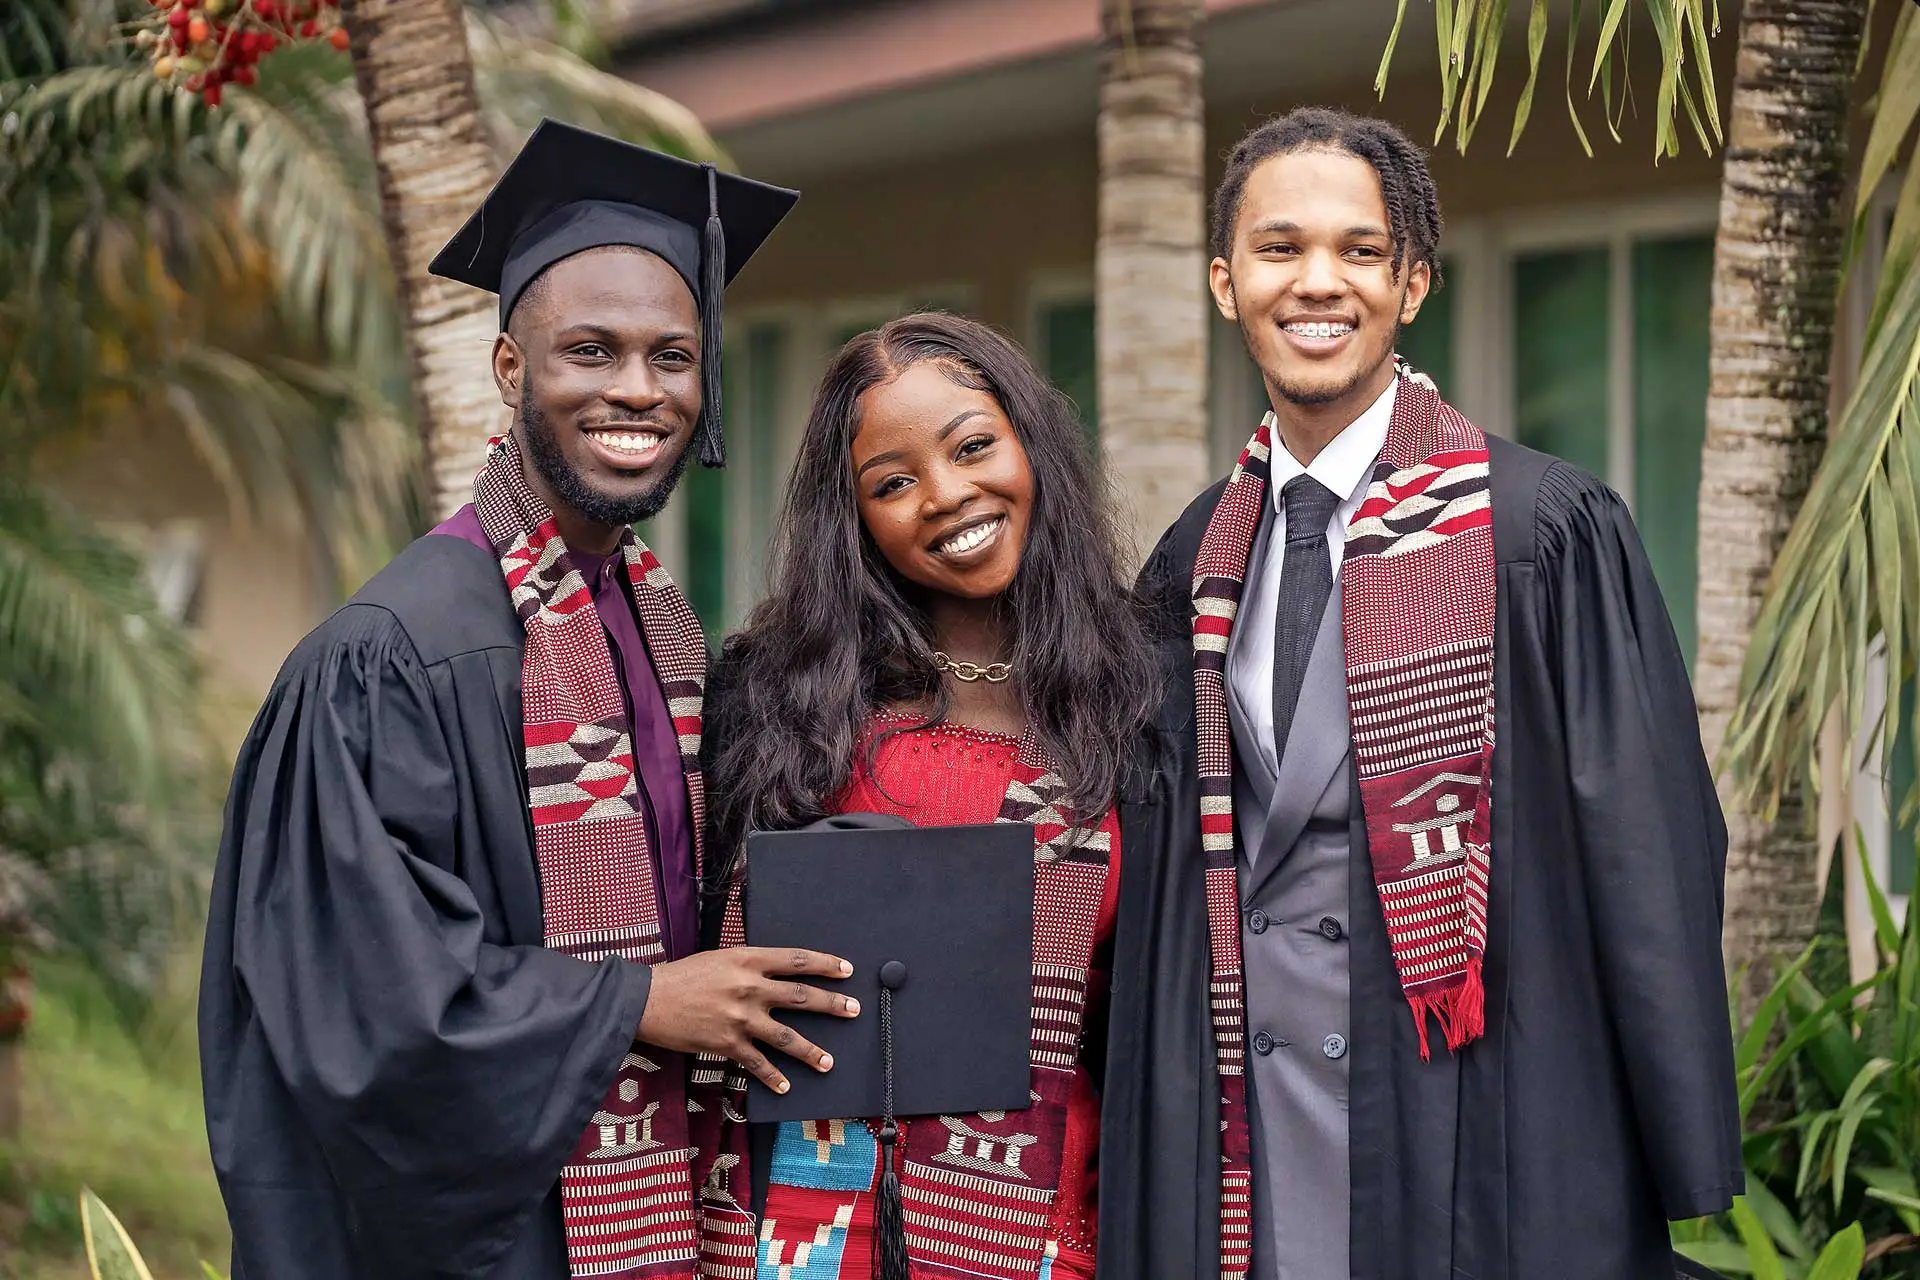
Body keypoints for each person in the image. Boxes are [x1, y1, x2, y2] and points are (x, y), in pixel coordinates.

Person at [198, 121, 861, 1280]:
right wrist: (637, 1002)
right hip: (492, 1240)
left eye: (673, 356)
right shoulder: (396, 652)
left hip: (651, 1203)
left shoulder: (656, 631)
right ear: (512, 370)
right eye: (590, 352)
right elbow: (362, 998)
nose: (637, 391)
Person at [1098, 107, 1742, 1280]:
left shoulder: (1540, 530)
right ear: (1224, 281)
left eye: (1359, 249)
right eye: (1280, 248)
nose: (1318, 282)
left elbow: (1649, 841)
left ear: (1413, 284)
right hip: (1249, 1132)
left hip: (1469, 1105)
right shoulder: (1195, 556)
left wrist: (1671, 1136)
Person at [701, 313, 1157, 1280]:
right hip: (812, 1236)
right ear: (854, 516)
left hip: (1044, 1235)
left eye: (973, 447)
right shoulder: (782, 703)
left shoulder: (1137, 697)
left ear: (1030, 443)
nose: (947, 496)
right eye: (892, 483)